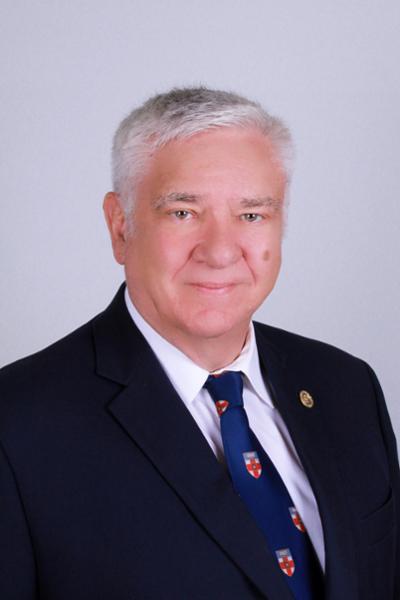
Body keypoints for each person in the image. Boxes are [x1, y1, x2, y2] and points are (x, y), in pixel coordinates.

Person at [0, 87, 398, 600]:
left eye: (251, 215)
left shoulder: (347, 386)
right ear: (121, 227)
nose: (220, 251)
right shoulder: (18, 425)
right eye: (183, 212)